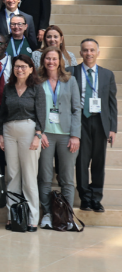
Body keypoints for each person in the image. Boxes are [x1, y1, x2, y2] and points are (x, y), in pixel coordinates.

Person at [0, 54, 46, 231]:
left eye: (24, 66)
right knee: (12, 175)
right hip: (9, 131)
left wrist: (38, 135)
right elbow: (3, 113)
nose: (20, 69)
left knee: (29, 175)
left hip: (29, 131)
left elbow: (41, 113)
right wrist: (1, 135)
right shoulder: (8, 88)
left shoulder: (36, 88)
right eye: (17, 66)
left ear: (31, 69)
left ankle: (32, 218)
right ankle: (13, 216)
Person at [36, 46, 81, 229]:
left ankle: (67, 216)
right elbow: (34, 108)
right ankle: (48, 214)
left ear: (60, 61)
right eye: (48, 58)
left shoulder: (70, 80)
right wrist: (39, 132)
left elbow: (76, 109)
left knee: (67, 178)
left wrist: (75, 135)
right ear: (43, 60)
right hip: (46, 135)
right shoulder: (37, 80)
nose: (51, 62)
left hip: (66, 135)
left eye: (54, 59)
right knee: (45, 177)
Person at [70, 39, 118, 213]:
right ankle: (85, 197)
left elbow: (112, 103)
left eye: (92, 50)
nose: (88, 53)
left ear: (98, 53)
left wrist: (113, 128)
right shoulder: (72, 72)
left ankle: (96, 197)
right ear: (80, 53)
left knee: (99, 161)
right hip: (81, 120)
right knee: (82, 161)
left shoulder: (107, 74)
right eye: (85, 50)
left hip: (100, 121)